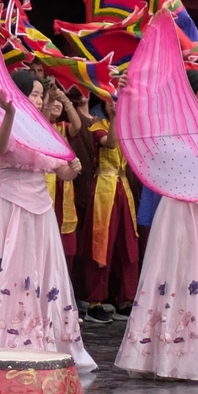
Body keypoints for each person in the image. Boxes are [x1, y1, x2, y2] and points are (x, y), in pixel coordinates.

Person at [0, 71, 95, 371]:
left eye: (39, 94)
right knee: (11, 270)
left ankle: (41, 339)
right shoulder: (0, 123)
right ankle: (6, 340)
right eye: (34, 94)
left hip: (41, 211)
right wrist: (9, 111)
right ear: (18, 95)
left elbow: (61, 171)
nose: (39, 99)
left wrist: (73, 168)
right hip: (11, 207)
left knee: (42, 273)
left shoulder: (44, 131)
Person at [115, 69, 198, 381]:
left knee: (195, 275)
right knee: (174, 272)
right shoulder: (169, 127)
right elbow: (137, 131)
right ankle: (165, 353)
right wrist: (126, 95)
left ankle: (192, 355)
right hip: (177, 211)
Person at [83, 97, 140, 324]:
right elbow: (111, 144)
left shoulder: (129, 125)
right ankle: (95, 301)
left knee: (127, 243)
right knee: (101, 243)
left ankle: (125, 299)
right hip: (104, 190)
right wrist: (116, 117)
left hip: (123, 188)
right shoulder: (98, 126)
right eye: (110, 101)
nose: (114, 103)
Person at [43, 84, 83, 270]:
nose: (57, 105)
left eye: (60, 102)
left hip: (64, 183)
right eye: (53, 101)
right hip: (45, 184)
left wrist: (66, 100)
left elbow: (78, 125)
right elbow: (41, 121)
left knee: (65, 233)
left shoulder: (63, 127)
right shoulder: (40, 125)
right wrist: (49, 101)